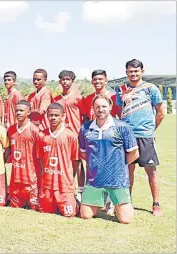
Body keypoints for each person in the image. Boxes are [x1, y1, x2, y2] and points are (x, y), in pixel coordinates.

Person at [115, 59, 166, 216]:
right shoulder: (121, 89)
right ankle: (127, 203)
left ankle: (156, 204)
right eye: (130, 71)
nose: (133, 74)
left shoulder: (151, 88)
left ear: (142, 72)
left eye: (136, 71)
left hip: (145, 136)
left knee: (151, 171)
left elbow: (161, 113)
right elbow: (118, 112)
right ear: (126, 72)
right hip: (127, 137)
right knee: (127, 171)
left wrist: (150, 129)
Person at [79, 94, 138, 224]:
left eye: (104, 106)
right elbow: (83, 154)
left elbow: (134, 153)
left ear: (110, 107)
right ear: (93, 109)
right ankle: (102, 202)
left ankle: (115, 204)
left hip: (117, 181)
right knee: (85, 215)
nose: (101, 109)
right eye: (97, 107)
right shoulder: (85, 128)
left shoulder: (122, 127)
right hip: (94, 180)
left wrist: (118, 166)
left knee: (126, 220)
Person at [37, 103, 79, 217]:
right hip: (47, 185)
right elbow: (41, 159)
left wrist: (70, 177)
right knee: (44, 212)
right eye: (51, 115)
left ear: (63, 116)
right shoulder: (42, 135)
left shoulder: (71, 135)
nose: (53, 118)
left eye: (56, 115)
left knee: (69, 214)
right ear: (47, 116)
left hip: (64, 185)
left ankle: (75, 201)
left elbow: (75, 160)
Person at [6, 100, 42, 211]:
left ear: (29, 112)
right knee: (14, 209)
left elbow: (41, 157)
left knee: (35, 209)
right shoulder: (11, 130)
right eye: (16, 110)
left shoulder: (35, 131)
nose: (18, 113)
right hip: (15, 181)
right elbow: (7, 153)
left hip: (31, 182)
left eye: (21, 110)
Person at [53, 70, 83, 200]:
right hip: (61, 135)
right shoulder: (56, 100)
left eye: (68, 79)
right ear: (60, 82)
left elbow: (85, 116)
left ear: (72, 81)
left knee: (78, 162)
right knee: (63, 162)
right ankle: (65, 186)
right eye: (63, 79)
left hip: (76, 134)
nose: (65, 82)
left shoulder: (78, 98)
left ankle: (81, 190)